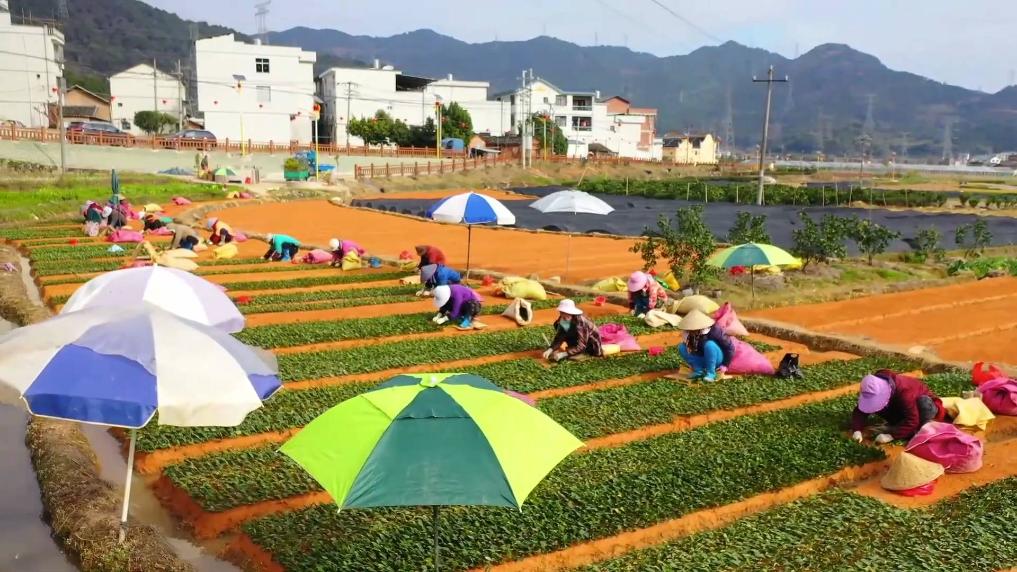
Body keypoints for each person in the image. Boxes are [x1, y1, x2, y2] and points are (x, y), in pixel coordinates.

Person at [851, 370, 948, 444]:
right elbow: (861, 410)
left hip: (924, 409)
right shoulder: (874, 386)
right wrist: (857, 430)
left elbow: (913, 420)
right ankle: (902, 429)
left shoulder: (905, 391)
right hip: (903, 409)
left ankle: (917, 431)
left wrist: (891, 436)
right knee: (877, 406)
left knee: (924, 403)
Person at [677, 309, 734, 382]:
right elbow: (690, 348)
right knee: (682, 347)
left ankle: (711, 373)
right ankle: (698, 370)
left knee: (709, 345)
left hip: (716, 358)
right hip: (701, 358)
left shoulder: (715, 330)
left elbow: (730, 347)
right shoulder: (688, 333)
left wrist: (725, 365)